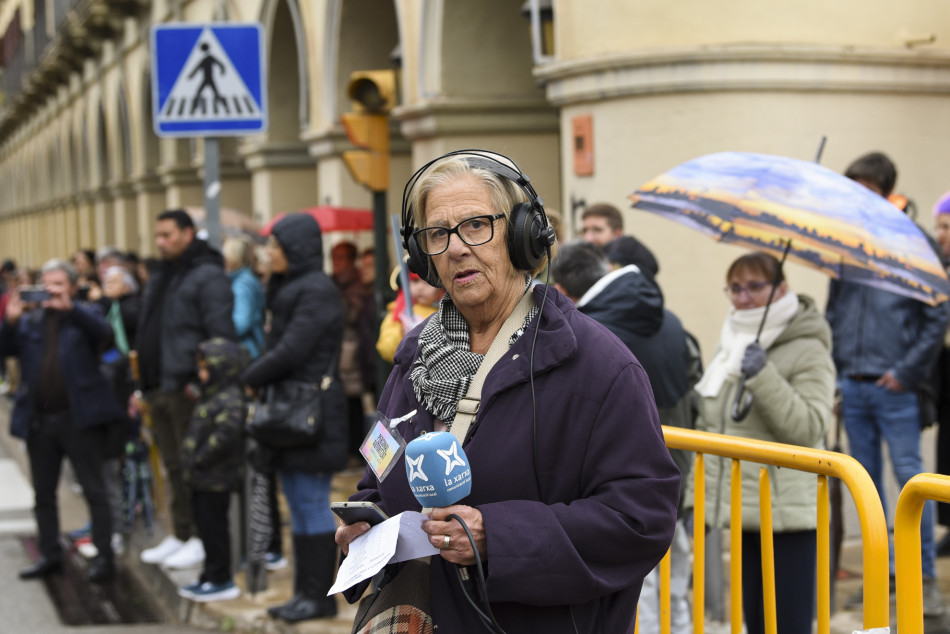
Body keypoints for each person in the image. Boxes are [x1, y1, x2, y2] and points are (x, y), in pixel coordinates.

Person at [336, 151, 680, 633]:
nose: (456, 248)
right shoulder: (413, 360)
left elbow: (641, 519)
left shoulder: (600, 367)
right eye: (438, 234)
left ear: (522, 235)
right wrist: (362, 525)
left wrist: (495, 537)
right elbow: (379, 475)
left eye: (476, 225)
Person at [550, 240, 698, 634]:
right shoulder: (669, 319)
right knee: (676, 583)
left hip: (619, 484)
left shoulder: (587, 335)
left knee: (642, 590)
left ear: (562, 289)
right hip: (673, 473)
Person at [827, 152, 949, 616]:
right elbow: (834, 312)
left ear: (885, 190)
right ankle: (882, 577)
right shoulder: (848, 244)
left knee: (914, 485)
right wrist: (838, 372)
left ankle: (925, 579)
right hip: (854, 385)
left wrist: (905, 372)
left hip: (896, 389)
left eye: (865, 189)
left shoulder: (915, 243)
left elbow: (938, 314)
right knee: (867, 489)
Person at [695, 251, 834, 634]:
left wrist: (764, 375)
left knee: (786, 624)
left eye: (755, 287)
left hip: (787, 514)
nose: (743, 298)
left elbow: (809, 426)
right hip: (745, 508)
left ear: (781, 288)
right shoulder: (734, 340)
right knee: (756, 622)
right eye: (735, 288)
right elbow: (715, 421)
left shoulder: (808, 346)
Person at [240, 213, 348, 622]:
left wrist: (249, 377)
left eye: (275, 246)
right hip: (292, 414)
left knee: (311, 503)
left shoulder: (316, 290)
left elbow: (292, 350)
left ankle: (319, 597)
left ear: (296, 249)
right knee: (299, 506)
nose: (269, 253)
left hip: (311, 414)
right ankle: (304, 594)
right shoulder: (291, 287)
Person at [0, 259, 125, 582]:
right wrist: (10, 321)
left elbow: (104, 335)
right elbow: (6, 349)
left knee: (94, 490)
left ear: (71, 286)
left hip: (78, 419)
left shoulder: (85, 314)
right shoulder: (31, 320)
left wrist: (71, 308)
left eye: (57, 284)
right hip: (40, 420)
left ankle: (104, 558)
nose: (51, 290)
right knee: (43, 493)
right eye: (46, 284)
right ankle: (49, 555)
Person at [134, 209, 236, 569]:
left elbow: (220, 334)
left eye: (167, 235)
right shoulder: (163, 274)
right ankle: (181, 532)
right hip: (158, 385)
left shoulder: (207, 274)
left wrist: (198, 383)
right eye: (158, 236)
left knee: (193, 466)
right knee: (173, 465)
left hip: (186, 388)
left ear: (188, 233)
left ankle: (198, 537)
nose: (160, 242)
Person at [178, 338, 246, 603]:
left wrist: (200, 458)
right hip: (201, 478)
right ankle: (208, 575)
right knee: (205, 529)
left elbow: (227, 434)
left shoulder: (230, 398)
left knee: (215, 530)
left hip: (215, 478)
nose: (201, 373)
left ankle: (221, 579)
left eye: (205, 368)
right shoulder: (211, 394)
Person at [331, 240, 368, 459]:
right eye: (333, 257)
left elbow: (352, 315)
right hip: (340, 350)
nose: (335, 262)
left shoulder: (356, 283)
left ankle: (355, 452)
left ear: (351, 260)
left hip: (352, 352)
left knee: (353, 402)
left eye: (340, 258)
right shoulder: (333, 282)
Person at [376, 271, 443, 364]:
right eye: (415, 281)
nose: (420, 287)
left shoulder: (446, 312)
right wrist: (402, 335)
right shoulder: (399, 312)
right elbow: (385, 348)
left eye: (428, 281)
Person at [222, 236, 266, 360]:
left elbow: (241, 324)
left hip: (246, 351)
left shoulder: (241, 284)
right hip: (254, 347)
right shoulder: (248, 279)